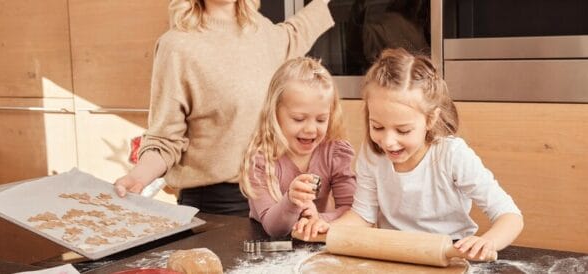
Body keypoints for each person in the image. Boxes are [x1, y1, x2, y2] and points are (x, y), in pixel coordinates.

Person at [295, 48, 524, 261]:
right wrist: (331, 228)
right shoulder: (373, 155)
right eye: (377, 127)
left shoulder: (452, 155)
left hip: (451, 255)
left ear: (430, 119)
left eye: (403, 130)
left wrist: (486, 242)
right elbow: (363, 216)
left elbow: (510, 215)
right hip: (393, 255)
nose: (388, 141)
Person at [113, 0, 335, 217]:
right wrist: (138, 177)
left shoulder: (261, 31)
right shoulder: (177, 46)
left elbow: (293, 34)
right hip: (217, 207)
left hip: (273, 196)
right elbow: (164, 139)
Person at [239, 57, 356, 237]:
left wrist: (320, 219)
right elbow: (273, 228)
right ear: (274, 113)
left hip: (312, 243)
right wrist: (291, 202)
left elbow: (351, 211)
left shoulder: (334, 152)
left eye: (321, 119)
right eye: (299, 119)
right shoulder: (261, 159)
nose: (310, 129)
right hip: (265, 245)